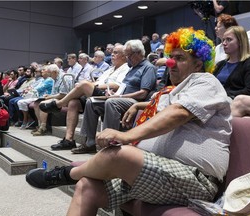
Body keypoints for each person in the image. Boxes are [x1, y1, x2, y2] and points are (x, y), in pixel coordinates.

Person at [26, 27, 232, 216]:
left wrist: (126, 136)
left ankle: (66, 174)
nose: (171, 63)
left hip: (195, 180)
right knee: (87, 186)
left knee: (119, 155)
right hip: (158, 173)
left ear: (198, 63)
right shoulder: (171, 92)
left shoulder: (206, 81)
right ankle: (76, 176)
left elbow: (179, 113)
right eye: (171, 57)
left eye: (180, 58)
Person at [73, 39, 157, 154]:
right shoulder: (132, 68)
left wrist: (120, 96)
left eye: (129, 55)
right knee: (91, 102)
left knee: (111, 103)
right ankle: (90, 142)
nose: (127, 58)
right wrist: (113, 93)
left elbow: (143, 93)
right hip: (122, 97)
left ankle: (108, 144)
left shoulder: (148, 68)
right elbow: (122, 86)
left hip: (136, 101)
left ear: (138, 53)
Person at [39, 44, 129, 150]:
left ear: (124, 56)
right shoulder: (110, 69)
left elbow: (117, 85)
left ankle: (60, 103)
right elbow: (97, 81)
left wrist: (91, 85)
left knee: (84, 84)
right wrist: (90, 84)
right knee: (73, 103)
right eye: (112, 52)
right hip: (98, 92)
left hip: (109, 95)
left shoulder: (126, 68)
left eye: (115, 53)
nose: (112, 54)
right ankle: (69, 140)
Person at [213, 26, 250, 99]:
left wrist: (223, 95)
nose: (224, 43)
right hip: (214, 100)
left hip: (234, 102)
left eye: (229, 40)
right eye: (223, 40)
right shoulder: (220, 64)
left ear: (240, 42)